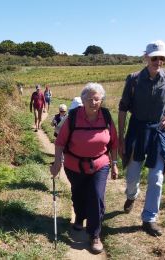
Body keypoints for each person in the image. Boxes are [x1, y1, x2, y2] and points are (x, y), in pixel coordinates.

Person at [118, 40, 165, 237]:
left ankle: (149, 219)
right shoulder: (134, 79)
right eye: (155, 57)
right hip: (137, 130)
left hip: (159, 131)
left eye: (162, 57)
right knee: (132, 176)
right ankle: (131, 195)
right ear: (146, 57)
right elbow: (122, 109)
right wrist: (121, 137)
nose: (159, 61)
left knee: (156, 178)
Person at [50, 83, 119, 254]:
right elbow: (60, 142)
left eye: (97, 99)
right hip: (74, 165)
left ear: (101, 100)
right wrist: (57, 163)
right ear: (82, 100)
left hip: (100, 164)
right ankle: (80, 216)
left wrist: (115, 164)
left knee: (96, 196)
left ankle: (95, 234)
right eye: (90, 99)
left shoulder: (106, 116)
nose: (94, 102)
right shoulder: (73, 117)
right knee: (78, 194)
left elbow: (114, 142)